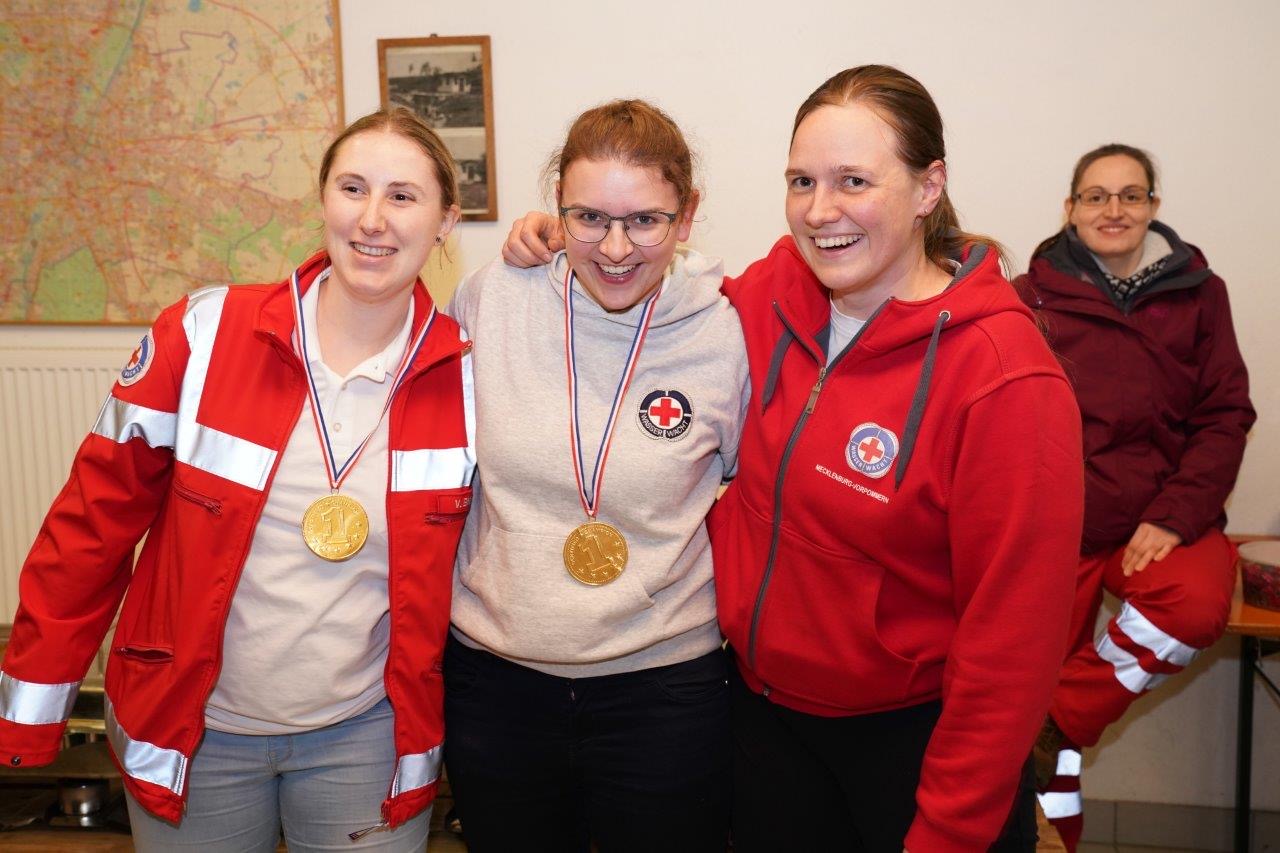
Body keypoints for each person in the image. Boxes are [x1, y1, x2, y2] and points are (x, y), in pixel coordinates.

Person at [504, 66, 1084, 852]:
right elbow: (654, 286)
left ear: (928, 188)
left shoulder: (1004, 377)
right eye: (801, 181)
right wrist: (562, 235)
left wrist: (952, 827)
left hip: (912, 742)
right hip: (766, 724)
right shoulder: (777, 291)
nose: (819, 210)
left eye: (853, 181)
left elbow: (1014, 644)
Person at [0, 107, 474, 851]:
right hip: (194, 732)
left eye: (404, 196)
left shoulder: (466, 374)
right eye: (353, 188)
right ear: (323, 199)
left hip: (366, 736)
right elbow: (90, 526)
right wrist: (30, 708)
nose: (372, 220)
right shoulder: (202, 333)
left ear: (446, 221)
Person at [443, 99, 749, 853]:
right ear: (557, 209)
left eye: (645, 221)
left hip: (664, 689)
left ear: (688, 215)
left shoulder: (725, 332)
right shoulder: (492, 298)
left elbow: (754, 492)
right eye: (589, 218)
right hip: (496, 683)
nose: (615, 248)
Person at [1014, 144, 1254, 852]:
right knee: (1021, 682)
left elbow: (1225, 415)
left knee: (1197, 604)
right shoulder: (1028, 296)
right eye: (1096, 196)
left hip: (1159, 518)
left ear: (1153, 206)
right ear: (1070, 209)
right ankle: (1046, 833)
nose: (1112, 210)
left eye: (1130, 195)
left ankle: (1062, 717)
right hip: (1060, 523)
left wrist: (1176, 515)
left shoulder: (1201, 292)